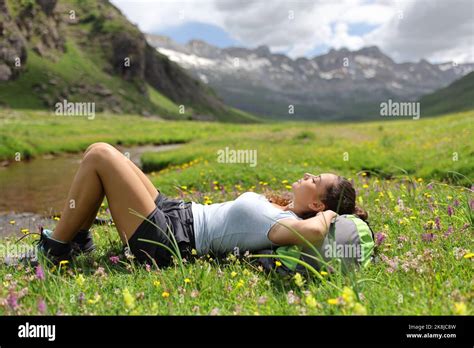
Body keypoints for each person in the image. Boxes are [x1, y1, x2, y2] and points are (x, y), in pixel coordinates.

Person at [7, 142, 372, 268]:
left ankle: (53, 251)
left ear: (319, 202)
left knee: (101, 156)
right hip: (176, 212)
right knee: (99, 155)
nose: (307, 175)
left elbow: (312, 232)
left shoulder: (285, 225)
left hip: (169, 240)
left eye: (315, 181)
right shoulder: (283, 211)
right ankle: (75, 240)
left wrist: (329, 215)